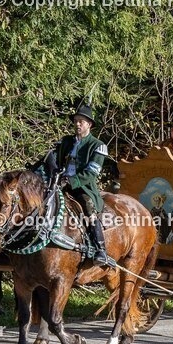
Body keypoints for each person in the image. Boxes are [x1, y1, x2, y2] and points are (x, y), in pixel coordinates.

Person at [48, 101, 115, 267]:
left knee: (88, 206)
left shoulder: (98, 146)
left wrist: (70, 181)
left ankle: (100, 250)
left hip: (82, 187)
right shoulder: (65, 142)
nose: (77, 124)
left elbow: (91, 173)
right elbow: (54, 160)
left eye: (81, 121)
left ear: (89, 125)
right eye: (76, 121)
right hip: (58, 183)